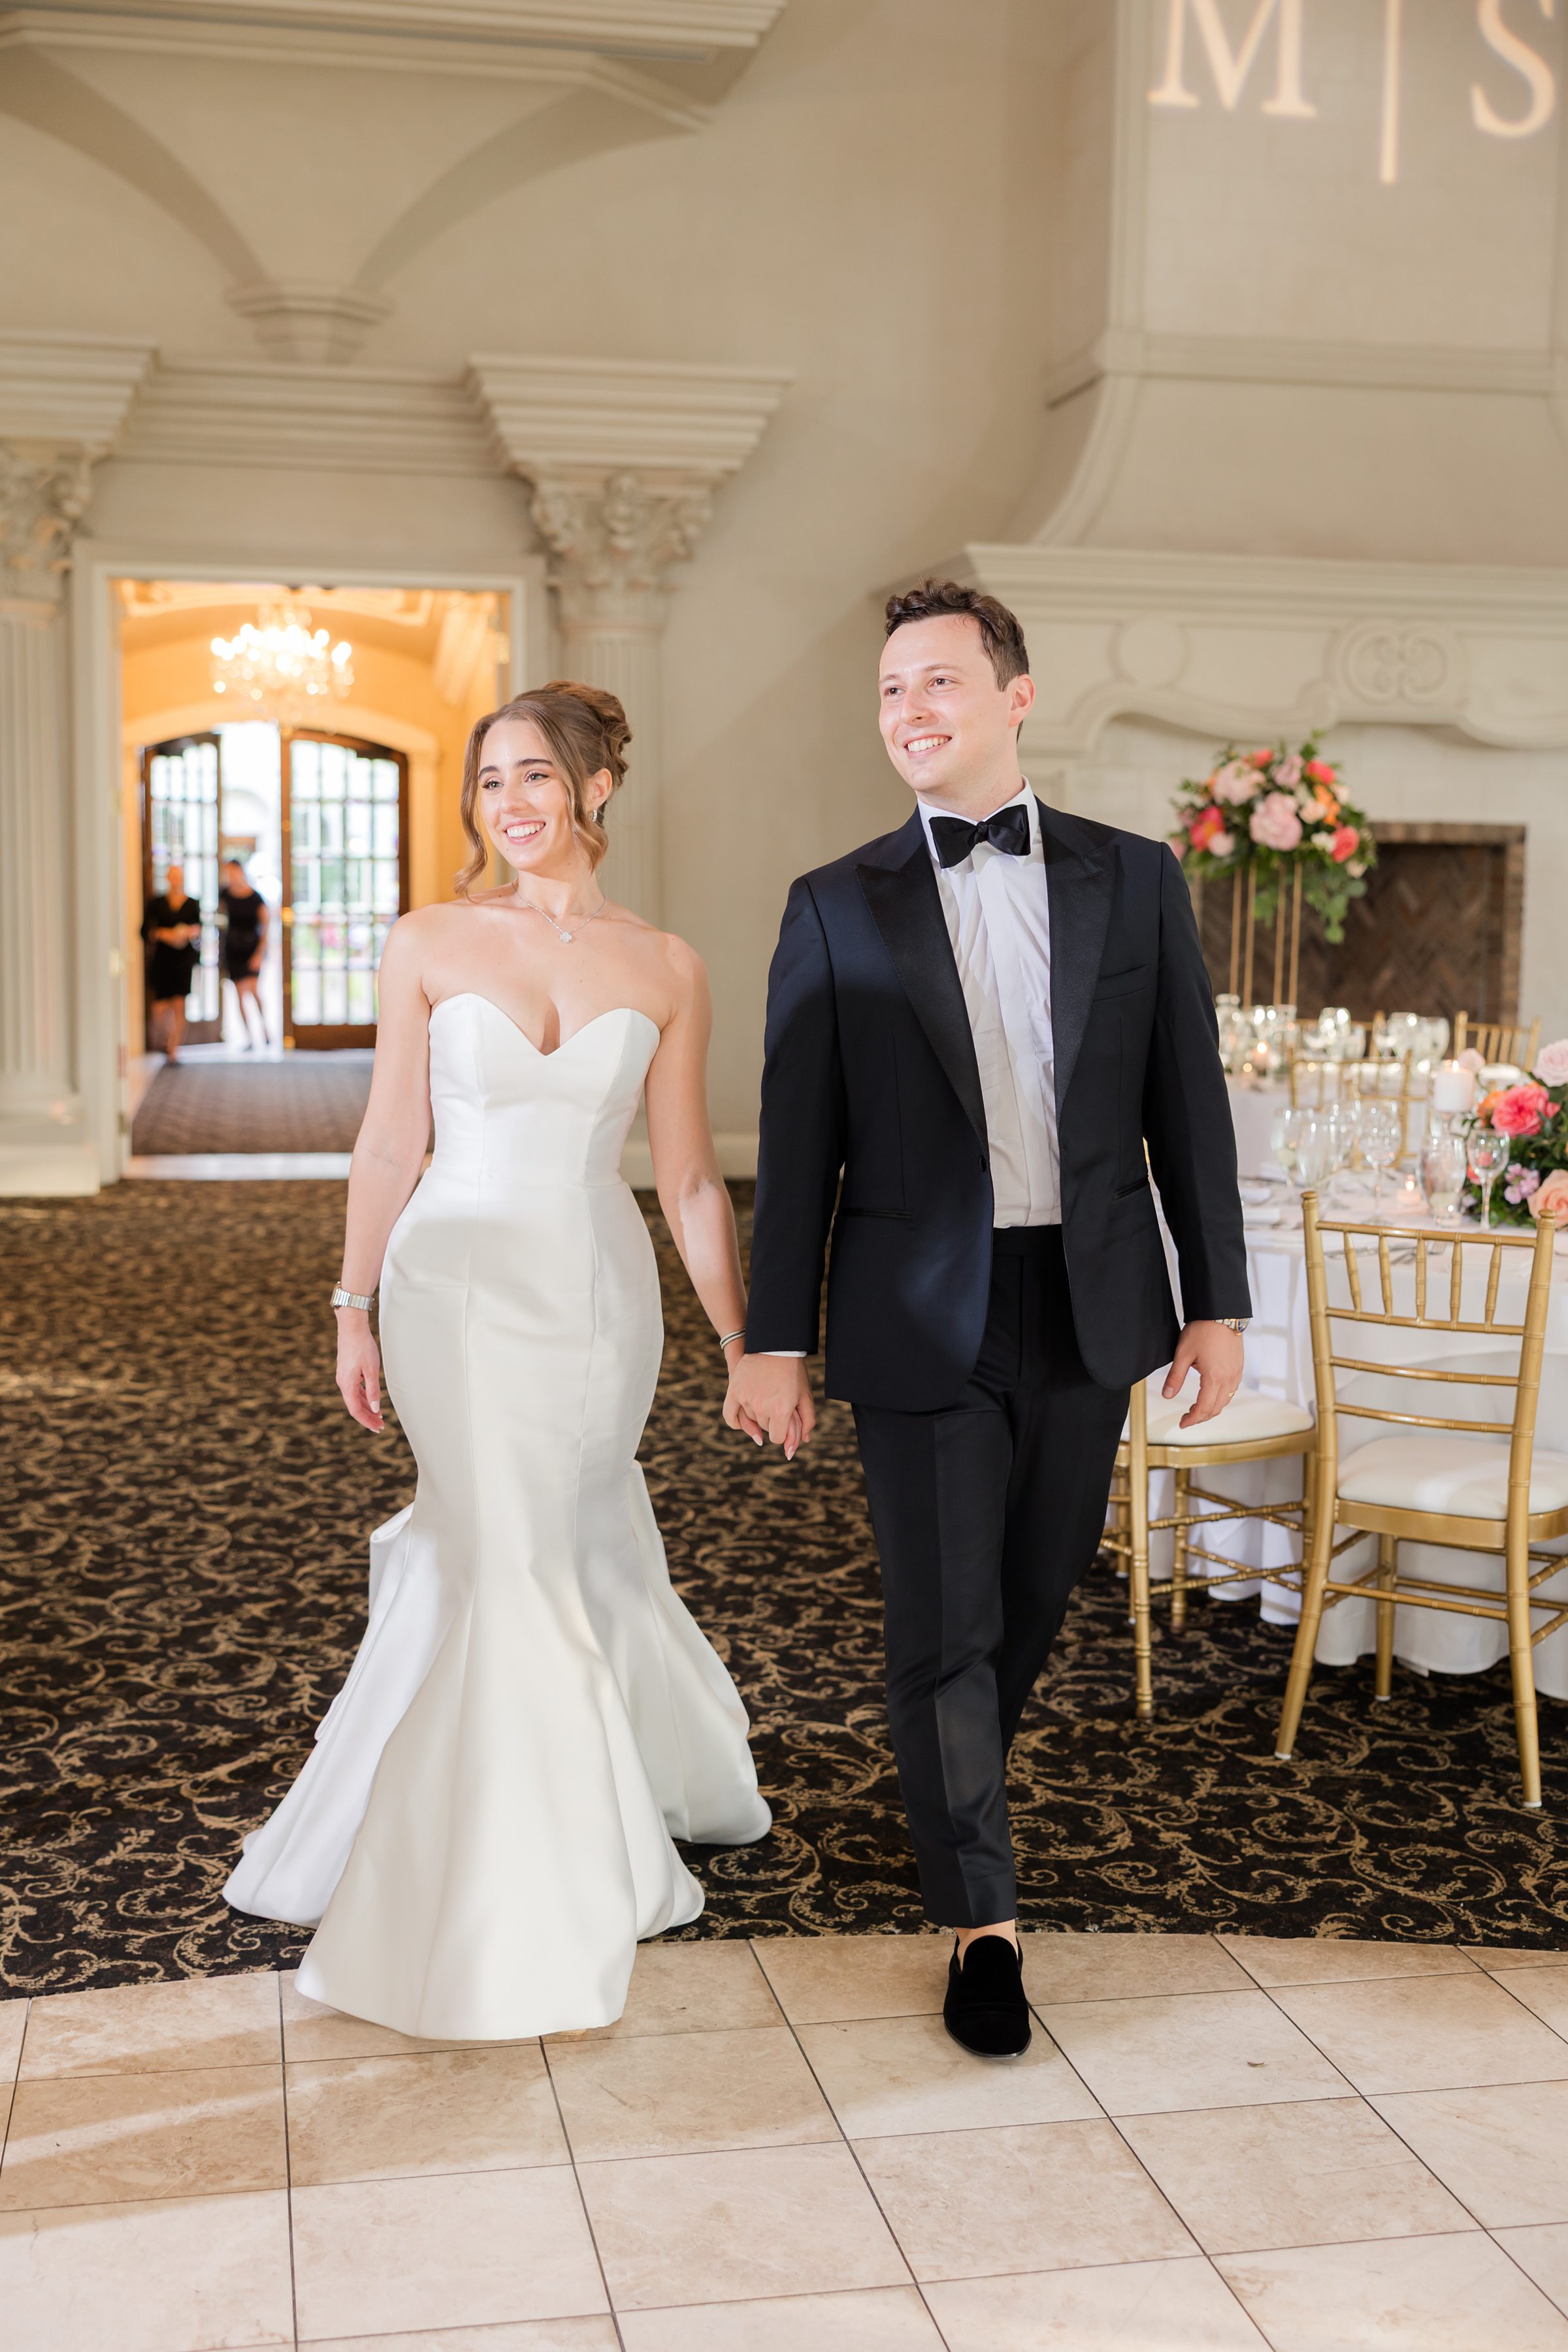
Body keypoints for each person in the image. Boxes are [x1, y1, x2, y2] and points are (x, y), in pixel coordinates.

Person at [726, 581, 1250, 2061]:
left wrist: (1213, 1300)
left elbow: (1184, 1109)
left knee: (1025, 1607)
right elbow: (798, 1133)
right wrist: (771, 1337)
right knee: (940, 1625)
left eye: (938, 683)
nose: (909, 712)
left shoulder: (1133, 880)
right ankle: (983, 1923)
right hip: (913, 1311)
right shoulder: (831, 903)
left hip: (1087, 1303)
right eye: (890, 690)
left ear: (1015, 696)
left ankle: (948, 1792)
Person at [225, 681, 772, 2040]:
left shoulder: (668, 965)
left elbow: (694, 1181)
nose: (510, 805)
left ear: (596, 790)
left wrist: (748, 1341)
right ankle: (507, 1881)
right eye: (489, 784)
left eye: (535, 777)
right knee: (502, 1553)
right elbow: (388, 1142)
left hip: (595, 1297)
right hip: (452, 1288)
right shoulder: (428, 940)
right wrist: (352, 1301)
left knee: (554, 1537)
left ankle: (555, 1805)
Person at [142, 861, 203, 1062]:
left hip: (183, 959)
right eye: (172, 876)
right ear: (167, 878)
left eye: (179, 876)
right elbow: (145, 931)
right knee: (160, 1006)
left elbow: (199, 930)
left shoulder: (192, 903)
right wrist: (164, 934)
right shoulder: (157, 903)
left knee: (179, 1003)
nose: (176, 880)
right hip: (163, 959)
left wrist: (186, 933)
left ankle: (174, 1048)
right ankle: (167, 1039)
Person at [220, 858, 270, 1046]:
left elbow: (266, 925)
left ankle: (265, 1029)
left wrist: (260, 953)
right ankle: (249, 1037)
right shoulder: (225, 894)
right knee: (240, 994)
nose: (231, 877)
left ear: (241, 872)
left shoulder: (255, 897)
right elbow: (219, 918)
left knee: (255, 992)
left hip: (252, 948)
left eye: (233, 873)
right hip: (234, 950)